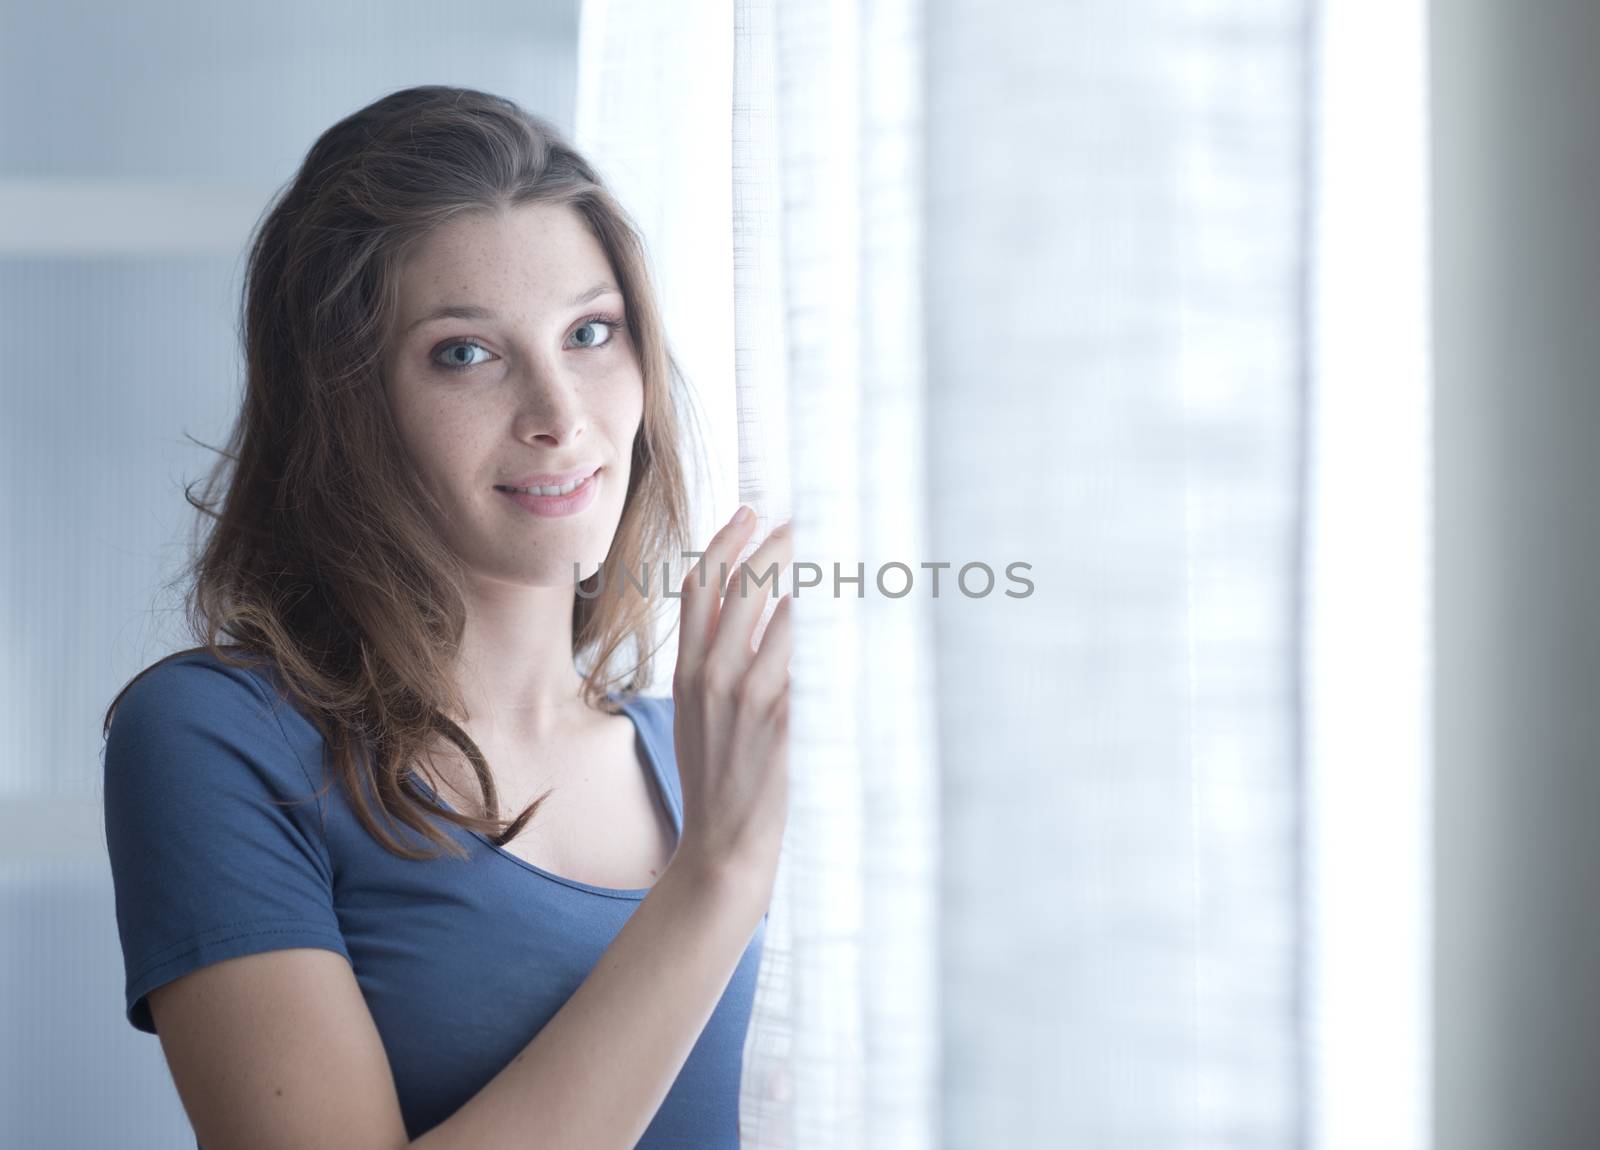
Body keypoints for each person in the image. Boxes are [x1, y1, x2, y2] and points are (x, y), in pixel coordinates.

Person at [100, 85, 792, 1150]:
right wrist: (716, 881)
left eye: (592, 333)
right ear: (345, 404)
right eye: (466, 353)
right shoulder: (220, 737)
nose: (560, 416)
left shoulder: (695, 751)